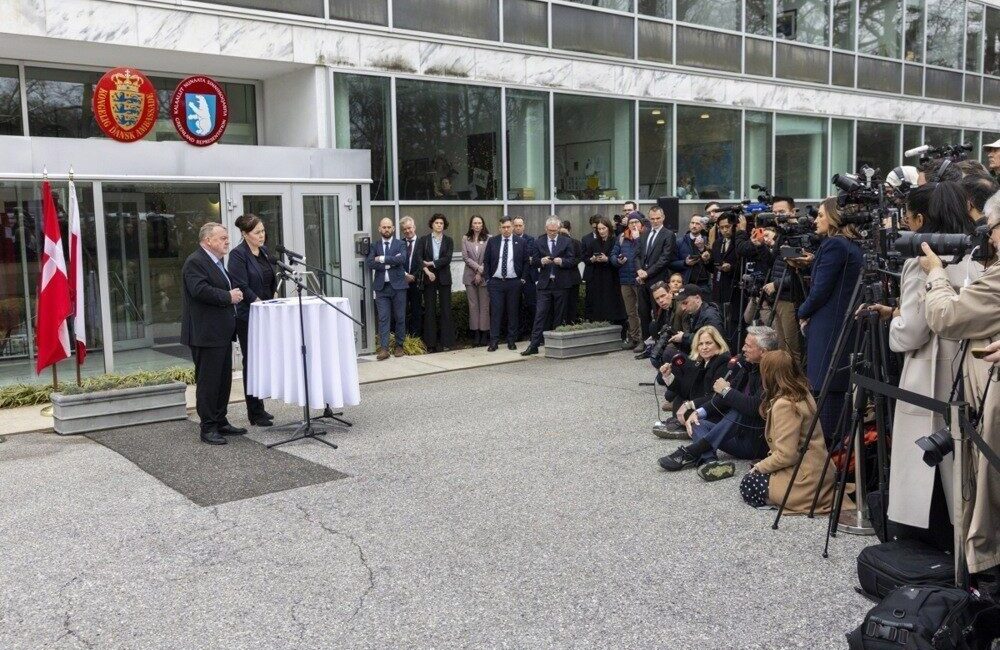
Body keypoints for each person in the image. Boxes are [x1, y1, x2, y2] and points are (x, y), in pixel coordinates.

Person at [860, 181, 977, 539]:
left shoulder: (920, 264)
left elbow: (912, 331)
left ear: (920, 220)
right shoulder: (978, 256)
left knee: (928, 462)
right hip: (969, 372)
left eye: (908, 218)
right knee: (965, 467)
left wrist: (893, 323)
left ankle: (928, 541)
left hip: (928, 375)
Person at [919, 190, 1000, 579]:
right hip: (981, 388)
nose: (989, 236)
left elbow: (948, 317)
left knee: (986, 483)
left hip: (989, 393)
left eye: (992, 227)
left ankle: (982, 569)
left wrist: (935, 272)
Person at [658, 326, 779, 478]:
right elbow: (720, 398)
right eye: (701, 344)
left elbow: (755, 407)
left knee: (738, 410)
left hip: (757, 442)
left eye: (748, 345)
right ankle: (709, 462)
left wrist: (726, 391)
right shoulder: (748, 365)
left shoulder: (772, 372)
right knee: (697, 421)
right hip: (735, 432)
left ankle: (691, 452)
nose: (743, 348)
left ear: (764, 351)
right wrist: (698, 412)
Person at [796, 197, 864, 449]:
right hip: (839, 325)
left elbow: (821, 290)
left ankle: (828, 456)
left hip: (829, 328)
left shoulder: (834, 245)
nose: (816, 220)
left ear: (835, 217)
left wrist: (802, 311)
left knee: (826, 389)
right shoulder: (849, 245)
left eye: (821, 215)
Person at [738, 350, 835, 513]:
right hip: (819, 470)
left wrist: (760, 467)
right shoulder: (804, 392)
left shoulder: (784, 405)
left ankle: (783, 500)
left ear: (768, 374)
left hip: (804, 478)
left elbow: (786, 455)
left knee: (748, 484)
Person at [181, 222, 245, 445]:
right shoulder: (195, 262)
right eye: (222, 238)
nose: (227, 241)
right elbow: (199, 291)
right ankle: (207, 428)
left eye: (227, 237)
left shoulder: (217, 262)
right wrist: (228, 297)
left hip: (221, 332)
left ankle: (220, 420)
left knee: (223, 380)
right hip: (205, 334)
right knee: (209, 383)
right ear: (208, 240)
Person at [226, 213, 277, 426]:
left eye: (263, 231)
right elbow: (241, 286)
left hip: (266, 313)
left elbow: (270, 279)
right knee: (252, 363)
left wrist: (272, 297)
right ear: (245, 234)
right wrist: (259, 304)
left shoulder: (264, 252)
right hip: (249, 316)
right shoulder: (237, 255)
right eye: (257, 232)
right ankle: (254, 412)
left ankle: (261, 408)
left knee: (263, 362)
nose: (262, 235)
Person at [655, 325, 731, 435]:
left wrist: (689, 404)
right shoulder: (701, 362)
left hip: (714, 410)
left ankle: (692, 427)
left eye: (708, 343)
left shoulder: (723, 362)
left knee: (683, 404)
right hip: (699, 405)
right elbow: (686, 389)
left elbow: (716, 397)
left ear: (718, 344)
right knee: (678, 398)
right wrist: (668, 376)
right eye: (700, 344)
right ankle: (685, 425)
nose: (704, 347)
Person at [761, 196, 807, 366]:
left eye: (782, 212)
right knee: (781, 348)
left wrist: (776, 284)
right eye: (775, 213)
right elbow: (773, 263)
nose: (778, 216)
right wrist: (761, 245)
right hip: (778, 298)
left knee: (791, 348)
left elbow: (800, 270)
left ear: (793, 211)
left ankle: (796, 387)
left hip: (791, 298)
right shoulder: (782, 233)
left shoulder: (800, 233)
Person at [521, 217, 577, 356]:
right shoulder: (538, 241)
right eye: (550, 230)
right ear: (546, 229)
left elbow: (572, 260)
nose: (552, 233)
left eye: (555, 230)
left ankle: (555, 345)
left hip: (561, 284)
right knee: (540, 315)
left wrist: (561, 261)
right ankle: (534, 345)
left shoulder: (566, 241)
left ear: (559, 229)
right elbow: (533, 262)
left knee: (559, 316)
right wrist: (541, 261)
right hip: (545, 284)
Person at [366, 217, 408, 361]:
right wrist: (391, 262)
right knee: (383, 318)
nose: (386, 229)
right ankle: (384, 349)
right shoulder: (374, 245)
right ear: (379, 229)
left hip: (399, 287)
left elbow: (402, 259)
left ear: (393, 229)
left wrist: (382, 259)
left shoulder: (401, 243)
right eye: (384, 227)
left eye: (389, 227)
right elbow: (370, 262)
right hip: (381, 288)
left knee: (400, 317)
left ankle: (399, 346)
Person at [483, 217, 528, 351]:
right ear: (500, 228)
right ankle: (494, 342)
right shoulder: (492, 241)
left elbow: (526, 261)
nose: (506, 229)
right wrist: (488, 279)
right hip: (496, 283)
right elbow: (487, 261)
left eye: (509, 227)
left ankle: (511, 341)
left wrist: (523, 279)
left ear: (513, 227)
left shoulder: (521, 242)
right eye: (504, 227)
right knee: (496, 312)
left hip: (514, 282)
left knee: (513, 312)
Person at [634, 206, 675, 349]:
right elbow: (637, 254)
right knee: (643, 311)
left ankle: (660, 342)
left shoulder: (668, 234)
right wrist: (639, 270)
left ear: (663, 218)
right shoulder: (644, 233)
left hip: (658, 279)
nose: (655, 221)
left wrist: (647, 273)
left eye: (658, 218)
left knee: (659, 312)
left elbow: (664, 259)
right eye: (652, 219)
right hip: (642, 280)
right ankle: (645, 341)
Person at [420, 213, 456, 352]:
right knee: (430, 310)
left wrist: (432, 263)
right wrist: (428, 270)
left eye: (441, 223)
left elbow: (448, 258)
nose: (439, 225)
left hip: (444, 278)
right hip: (429, 278)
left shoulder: (449, 240)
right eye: (436, 223)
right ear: (432, 224)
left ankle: (447, 343)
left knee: (446, 310)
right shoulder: (424, 240)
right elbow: (419, 258)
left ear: (444, 225)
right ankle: (431, 344)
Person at [583, 216, 626, 325]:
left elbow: (618, 259)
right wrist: (593, 259)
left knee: (612, 302)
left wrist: (607, 259)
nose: (601, 231)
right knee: (598, 302)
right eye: (599, 229)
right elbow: (586, 259)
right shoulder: (593, 242)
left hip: (612, 276)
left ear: (609, 228)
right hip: (597, 276)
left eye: (603, 228)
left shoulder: (615, 241)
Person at [611, 213, 643, 349]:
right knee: (630, 312)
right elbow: (612, 255)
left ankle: (643, 339)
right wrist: (617, 260)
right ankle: (634, 338)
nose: (634, 225)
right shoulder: (622, 237)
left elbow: (643, 254)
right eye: (631, 222)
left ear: (641, 223)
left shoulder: (645, 237)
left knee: (641, 311)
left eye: (636, 222)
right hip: (625, 279)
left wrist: (637, 240)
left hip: (640, 279)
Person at [664, 283, 724, 354]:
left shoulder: (710, 316)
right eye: (681, 304)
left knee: (670, 352)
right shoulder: (692, 314)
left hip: (712, 357)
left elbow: (712, 341)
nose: (683, 308)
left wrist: (684, 337)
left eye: (685, 303)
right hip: (701, 354)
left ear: (697, 298)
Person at [710, 211, 743, 337]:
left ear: (734, 226)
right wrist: (706, 259)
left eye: (727, 227)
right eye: (721, 227)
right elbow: (712, 267)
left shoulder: (739, 241)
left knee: (733, 323)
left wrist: (731, 267)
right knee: (719, 321)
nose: (724, 230)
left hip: (734, 289)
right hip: (718, 289)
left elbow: (743, 264)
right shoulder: (717, 243)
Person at [461, 215, 490, 346]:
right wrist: (478, 268)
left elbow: (489, 257)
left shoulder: (489, 238)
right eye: (475, 223)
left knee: (484, 306)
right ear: (471, 225)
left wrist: (480, 272)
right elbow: (465, 258)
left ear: (482, 225)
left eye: (479, 223)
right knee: (473, 306)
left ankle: (484, 333)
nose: (477, 225)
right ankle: (476, 333)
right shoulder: (465, 238)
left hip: (484, 276)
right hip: (469, 276)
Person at [512, 216, 537, 340]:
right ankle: (518, 334)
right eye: (515, 225)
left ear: (524, 226)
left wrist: (523, 259)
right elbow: (525, 258)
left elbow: (530, 257)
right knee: (516, 307)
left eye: (520, 225)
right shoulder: (509, 240)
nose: (517, 228)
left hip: (529, 278)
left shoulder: (531, 239)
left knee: (532, 306)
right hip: (515, 278)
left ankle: (534, 333)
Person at [399, 216, 424, 338]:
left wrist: (413, 275)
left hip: (417, 282)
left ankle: (415, 339)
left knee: (416, 312)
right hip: (402, 282)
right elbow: (396, 262)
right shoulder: (399, 244)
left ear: (414, 227)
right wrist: (405, 275)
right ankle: (402, 339)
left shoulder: (422, 243)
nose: (407, 231)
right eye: (404, 229)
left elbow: (423, 262)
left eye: (409, 228)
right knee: (401, 312)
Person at [671, 215, 711, 288]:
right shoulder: (679, 242)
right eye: (692, 223)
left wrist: (703, 249)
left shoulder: (708, 241)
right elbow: (671, 263)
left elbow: (712, 262)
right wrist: (685, 263)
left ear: (703, 226)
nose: (694, 226)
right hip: (686, 283)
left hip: (705, 284)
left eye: (697, 224)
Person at [560, 220, 583, 324]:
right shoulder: (556, 242)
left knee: (572, 303)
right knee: (561, 303)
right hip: (560, 277)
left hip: (573, 277)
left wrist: (565, 262)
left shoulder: (576, 242)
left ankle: (571, 322)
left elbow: (579, 258)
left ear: (569, 230)